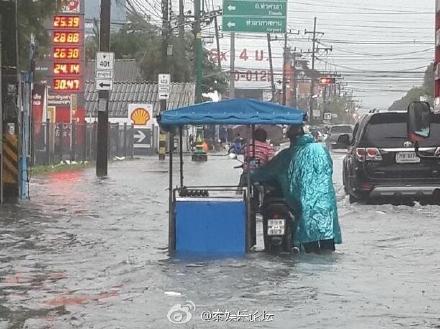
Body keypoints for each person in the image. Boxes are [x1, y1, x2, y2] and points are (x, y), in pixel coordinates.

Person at [252, 124, 342, 253]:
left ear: (291, 138)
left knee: (308, 248)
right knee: (326, 246)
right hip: (325, 203)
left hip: (302, 205)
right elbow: (329, 170)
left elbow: (266, 172)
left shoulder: (287, 154)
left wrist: (251, 175)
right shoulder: (321, 149)